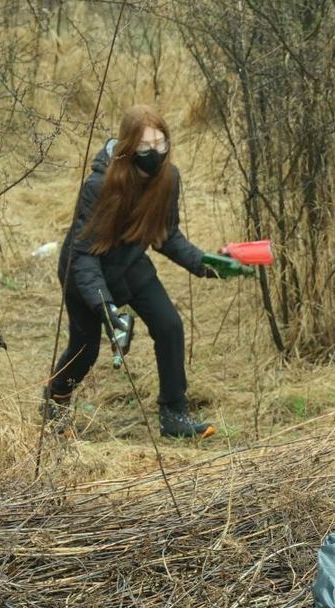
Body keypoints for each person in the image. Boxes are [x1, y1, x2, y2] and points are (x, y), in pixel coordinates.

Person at [44, 104, 250, 438]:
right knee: (86, 348)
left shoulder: (168, 179)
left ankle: (174, 414)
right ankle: (55, 401)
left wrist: (211, 265)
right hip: (84, 269)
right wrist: (106, 308)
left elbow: (166, 235)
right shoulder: (99, 186)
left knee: (169, 326)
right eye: (144, 146)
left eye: (160, 144)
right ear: (128, 146)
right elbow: (84, 256)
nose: (153, 153)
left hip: (129, 263)